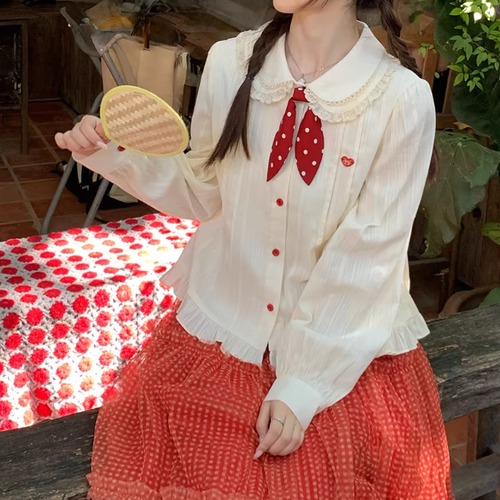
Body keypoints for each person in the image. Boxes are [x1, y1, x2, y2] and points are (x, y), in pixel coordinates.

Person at [55, 0, 453, 497]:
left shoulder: (400, 98)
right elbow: (205, 190)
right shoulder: (230, 64)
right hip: (223, 338)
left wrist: (305, 384)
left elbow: (369, 253)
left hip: (343, 353)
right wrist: (111, 155)